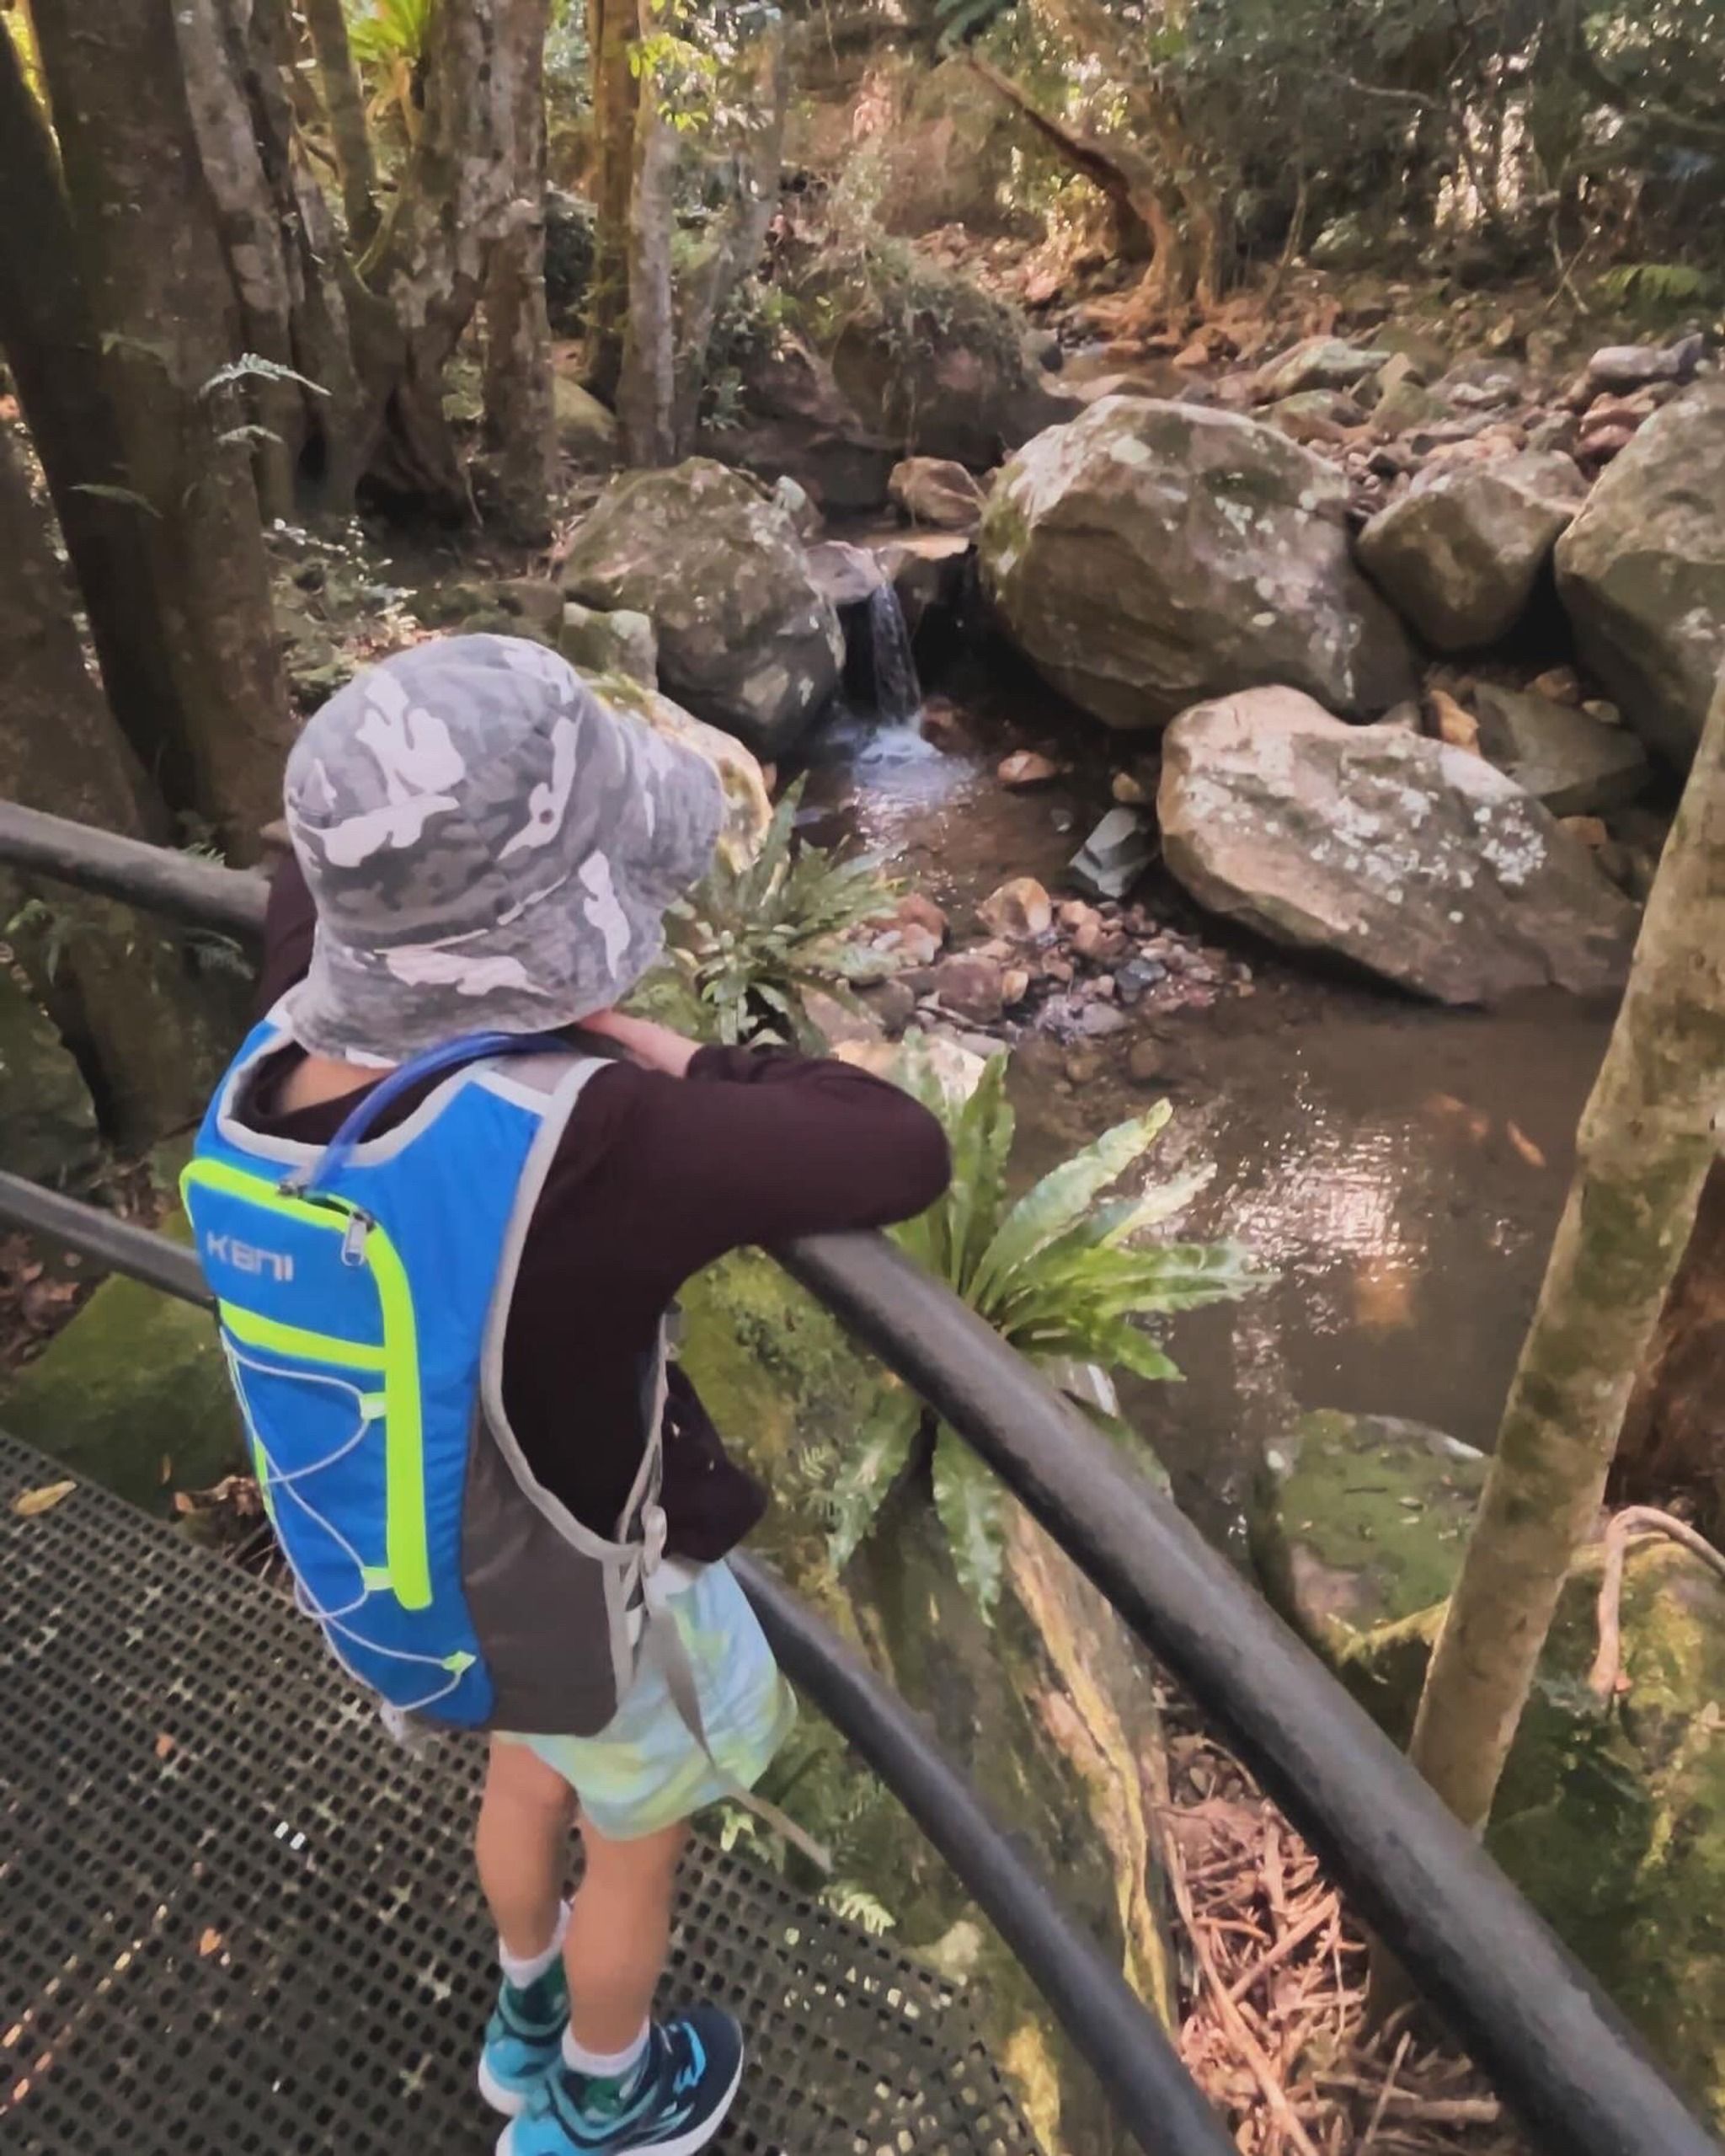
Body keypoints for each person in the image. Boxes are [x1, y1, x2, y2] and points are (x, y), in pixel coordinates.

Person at [191, 636, 950, 2156]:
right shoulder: (597, 1142)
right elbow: (895, 1145)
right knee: (636, 1842)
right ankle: (605, 2097)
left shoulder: (276, 1046)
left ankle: (522, 2014)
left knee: (527, 1779)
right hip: (599, 1607)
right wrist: (673, 1055)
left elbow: (301, 891)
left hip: (454, 1595)